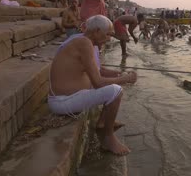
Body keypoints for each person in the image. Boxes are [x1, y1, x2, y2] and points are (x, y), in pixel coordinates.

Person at [48, 15, 137, 155]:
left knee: (113, 85)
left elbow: (99, 70)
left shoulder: (87, 41)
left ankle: (102, 123)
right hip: (62, 101)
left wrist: (118, 73)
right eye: (108, 34)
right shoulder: (84, 43)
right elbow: (98, 82)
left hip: (68, 97)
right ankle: (108, 139)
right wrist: (125, 79)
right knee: (116, 91)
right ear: (96, 31)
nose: (109, 38)